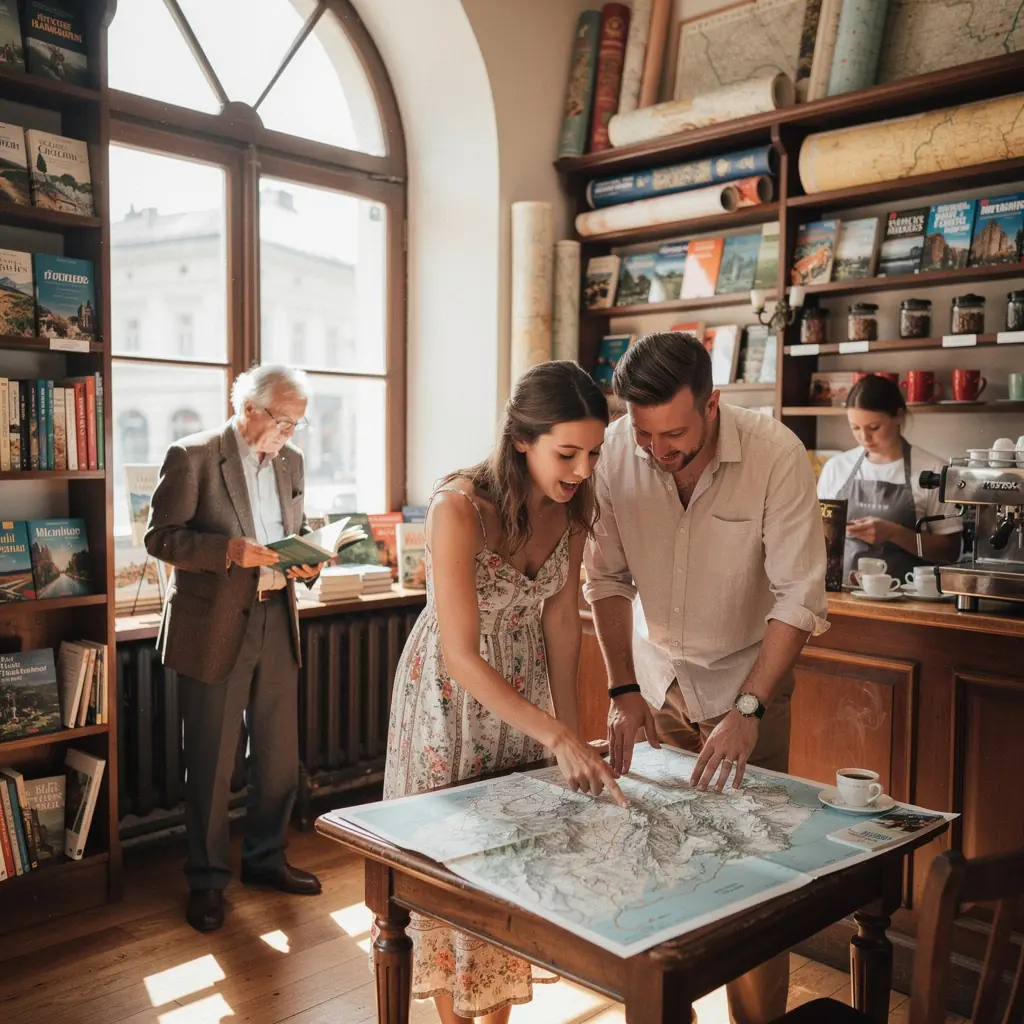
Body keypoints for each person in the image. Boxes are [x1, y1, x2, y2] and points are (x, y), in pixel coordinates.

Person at [582, 332, 829, 1024]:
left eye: (675, 435)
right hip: (657, 687)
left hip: (748, 691)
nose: (659, 450)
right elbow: (605, 579)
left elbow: (799, 597)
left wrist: (749, 708)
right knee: (656, 863)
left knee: (752, 875)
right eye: (645, 433)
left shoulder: (776, 456)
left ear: (712, 404)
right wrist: (623, 690)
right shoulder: (617, 455)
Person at [379, 360, 624, 1024]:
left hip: (526, 696)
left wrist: (569, 740)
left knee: (512, 865)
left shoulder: (574, 509)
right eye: (567, 453)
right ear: (521, 439)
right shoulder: (458, 509)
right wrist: (557, 734)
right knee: (452, 869)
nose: (582, 469)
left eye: (593, 453)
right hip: (450, 699)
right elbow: (460, 654)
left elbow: (562, 627)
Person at [145, 364, 323, 933]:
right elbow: (160, 538)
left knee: (278, 757)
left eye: (296, 424)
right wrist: (227, 551)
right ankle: (206, 881)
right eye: (284, 421)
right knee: (212, 761)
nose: (289, 434)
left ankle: (266, 860)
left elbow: (293, 530)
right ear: (249, 409)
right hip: (213, 626)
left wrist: (310, 560)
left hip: (277, 616)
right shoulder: (192, 455)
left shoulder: (291, 462)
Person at [816, 374, 962, 582]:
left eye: (874, 427)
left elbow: (950, 551)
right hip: (843, 594)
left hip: (908, 597)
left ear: (898, 417)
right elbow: (817, 539)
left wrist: (894, 533)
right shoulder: (836, 467)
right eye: (855, 428)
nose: (864, 438)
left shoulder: (934, 471)